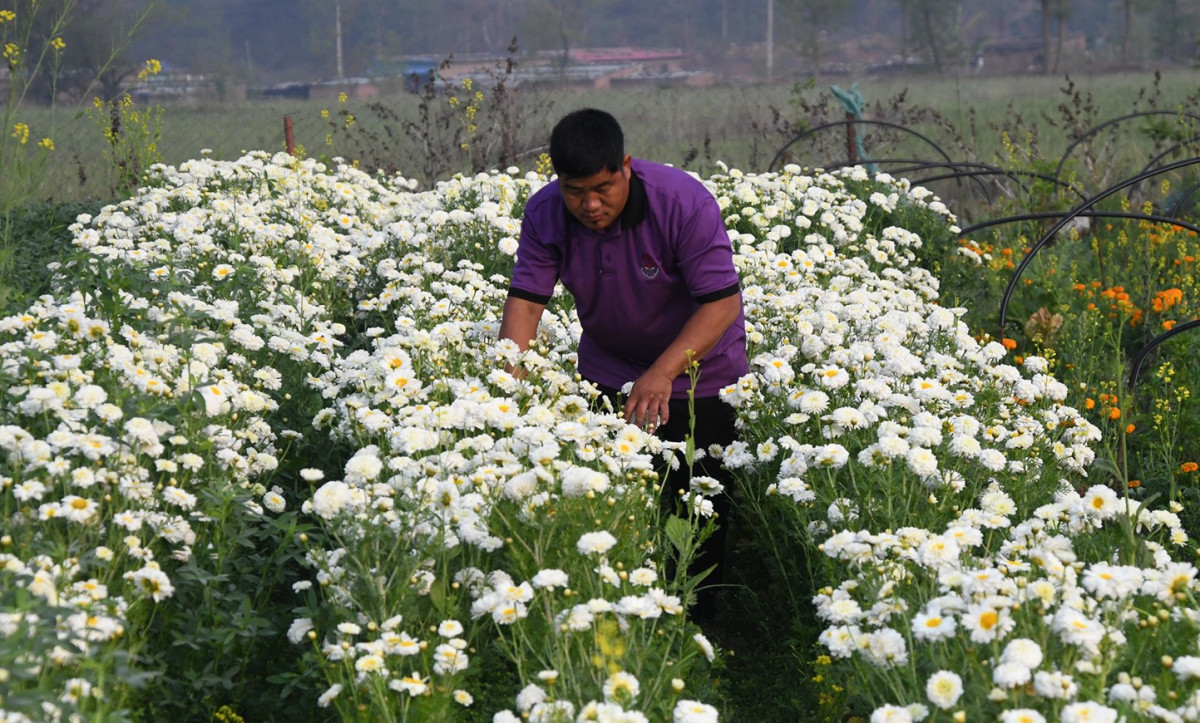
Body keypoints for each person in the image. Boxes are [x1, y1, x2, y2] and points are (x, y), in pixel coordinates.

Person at [497, 108, 748, 620]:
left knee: (696, 511)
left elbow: (721, 304)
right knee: (616, 507)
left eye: (602, 188)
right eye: (574, 191)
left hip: (702, 377)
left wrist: (662, 373)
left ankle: (694, 633)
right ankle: (624, 621)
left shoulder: (682, 202)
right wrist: (507, 385)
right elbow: (525, 303)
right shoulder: (546, 213)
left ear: (626, 167)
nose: (590, 205)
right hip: (608, 373)